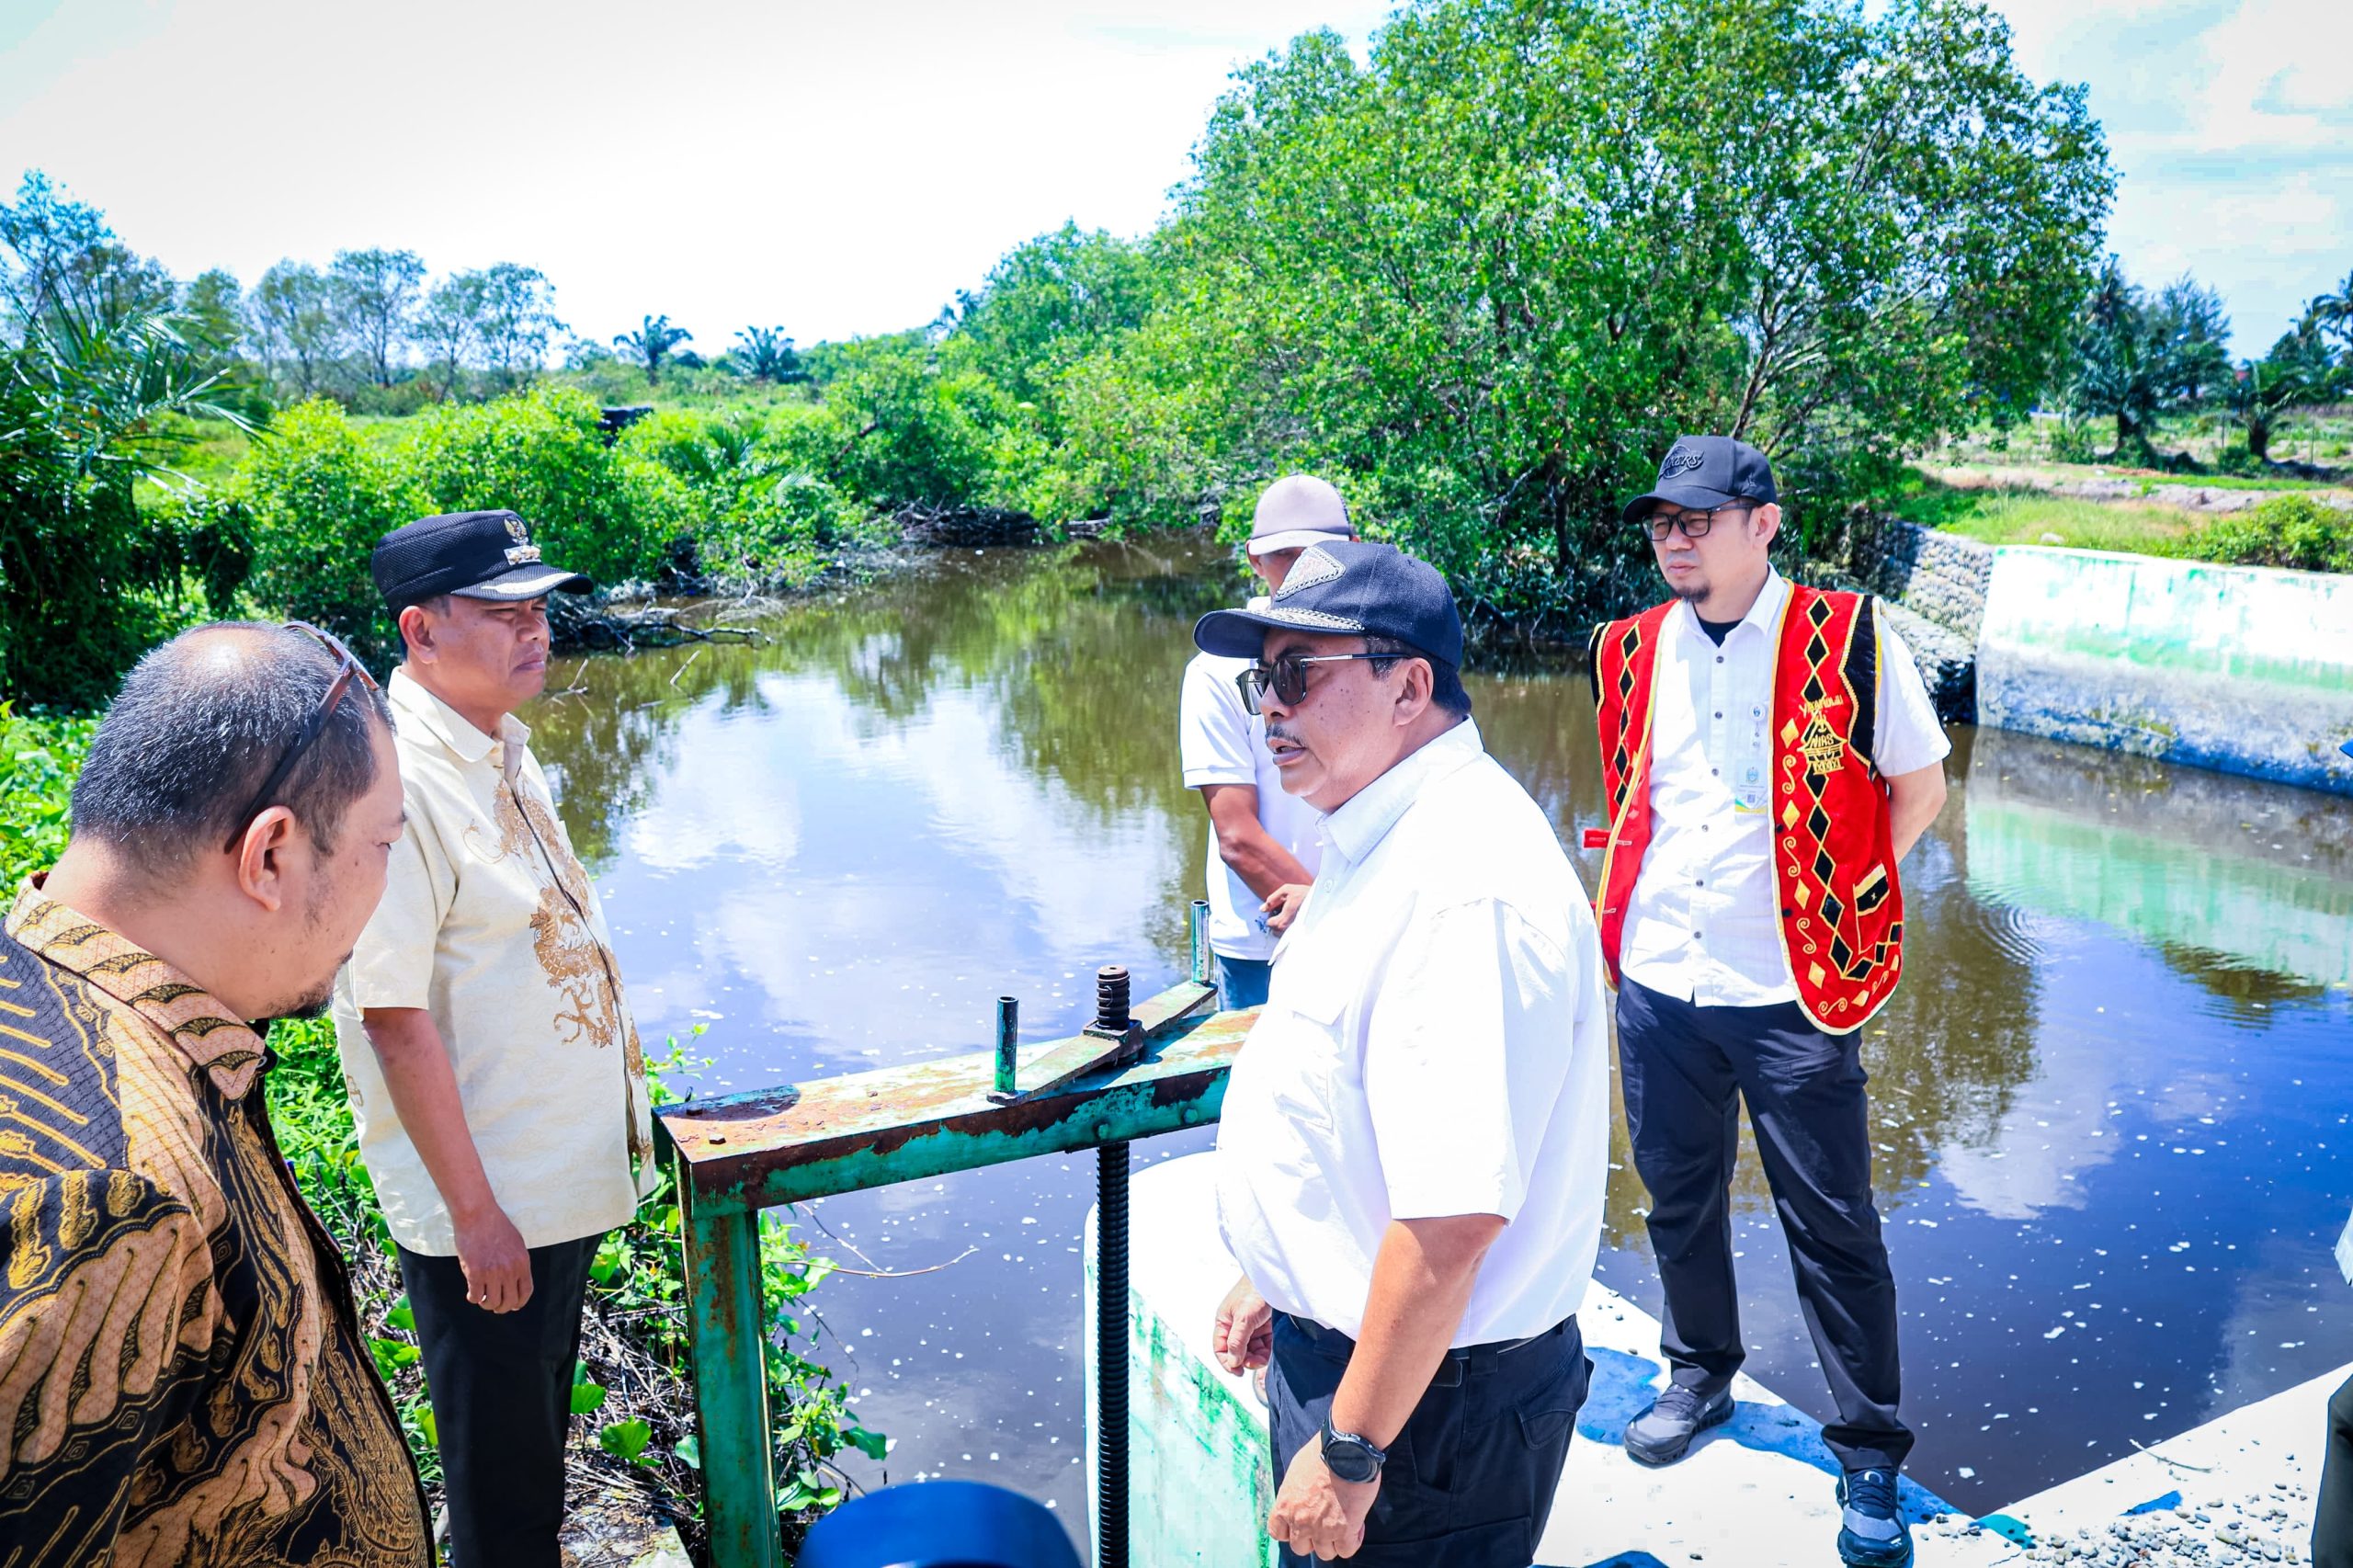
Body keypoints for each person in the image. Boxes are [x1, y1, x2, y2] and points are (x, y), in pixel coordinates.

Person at [1197, 540, 1611, 1567]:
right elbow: (1362, 1103)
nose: (1268, 711)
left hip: (1425, 1422)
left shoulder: (1463, 881)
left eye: (1299, 675)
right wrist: (1289, 1266)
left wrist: (1348, 1446)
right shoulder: (1383, 829)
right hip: (1376, 1370)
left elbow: (1451, 1217)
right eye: (1261, 680)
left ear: (1408, 684)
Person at [1586, 436, 1949, 1568]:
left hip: (1795, 987)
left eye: (1697, 518)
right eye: (1661, 521)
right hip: (1659, 975)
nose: (1674, 537)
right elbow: (1633, 800)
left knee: (1833, 1221)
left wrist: (1844, 899)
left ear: (1764, 522)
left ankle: (1869, 1449)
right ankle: (1697, 1373)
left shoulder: (1849, 637)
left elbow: (1919, 787)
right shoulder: (1622, 647)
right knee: (1675, 1197)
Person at [0, 623, 431, 1566]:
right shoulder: (108, 1195)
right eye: (385, 842)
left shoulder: (65, 994)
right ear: (269, 854)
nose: (386, 886)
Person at [331, 509, 655, 1568]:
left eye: (540, 608)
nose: (537, 631)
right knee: (500, 1492)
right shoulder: (395, 782)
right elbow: (389, 1014)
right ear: (421, 631)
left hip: (546, 1183)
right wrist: (477, 1217)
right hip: (493, 1203)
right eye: (503, 612)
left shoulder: (497, 745)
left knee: (533, 1458)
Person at [1178, 474, 1355, 1008]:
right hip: (1265, 937)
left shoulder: (1366, 652)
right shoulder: (1217, 670)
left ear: (1351, 554)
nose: (1302, 568)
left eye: (1318, 554)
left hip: (1357, 921)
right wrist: (1334, 917)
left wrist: (1357, 917)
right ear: (1255, 559)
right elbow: (1236, 835)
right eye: (1285, 554)